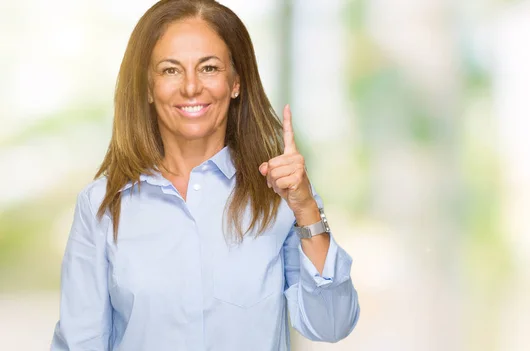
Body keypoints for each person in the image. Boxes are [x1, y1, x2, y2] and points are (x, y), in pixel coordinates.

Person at [50, 0, 359, 350]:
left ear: (236, 82)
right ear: (148, 88)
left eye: (209, 68)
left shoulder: (282, 194)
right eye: (170, 70)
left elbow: (332, 324)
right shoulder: (101, 205)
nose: (191, 86)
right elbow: (79, 343)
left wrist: (306, 211)